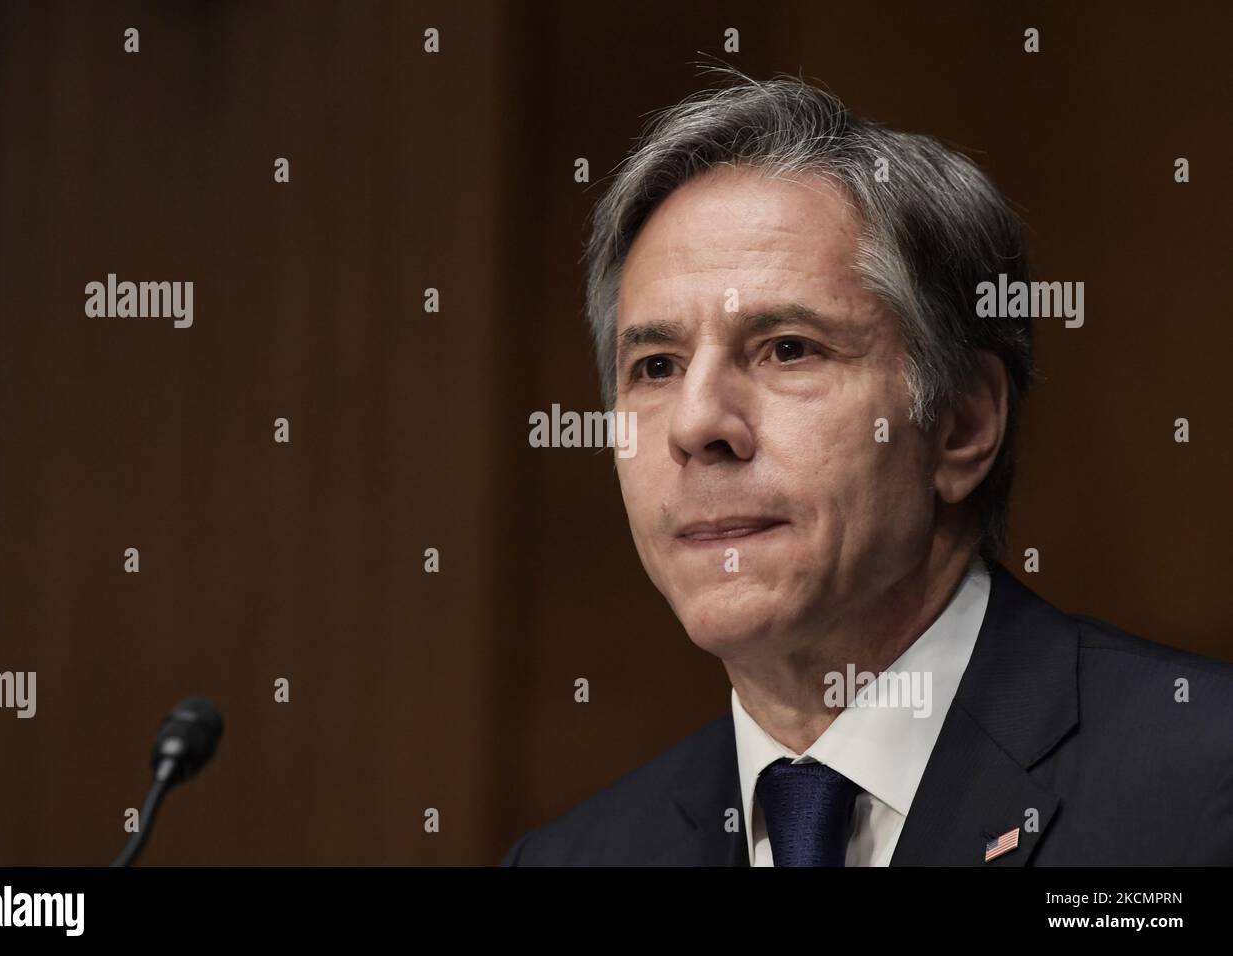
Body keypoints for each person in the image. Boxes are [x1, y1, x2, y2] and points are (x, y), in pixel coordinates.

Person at [502, 69, 1233, 866]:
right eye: (654, 366)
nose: (696, 424)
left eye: (788, 349)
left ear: (962, 423)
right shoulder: (573, 859)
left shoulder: (1202, 790)